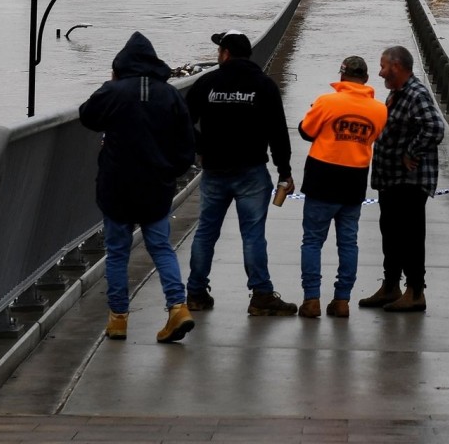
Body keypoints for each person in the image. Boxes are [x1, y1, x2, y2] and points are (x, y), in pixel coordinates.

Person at [79, 31, 197, 343]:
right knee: (160, 247)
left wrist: (111, 86)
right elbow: (187, 144)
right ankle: (177, 307)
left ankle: (118, 319)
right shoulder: (169, 94)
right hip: (155, 186)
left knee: (117, 252)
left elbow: (87, 116)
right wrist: (170, 172)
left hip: (117, 185)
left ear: (121, 65)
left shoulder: (114, 91)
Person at [185, 29, 297, 317]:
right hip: (251, 171)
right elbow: (277, 132)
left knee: (206, 233)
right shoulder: (264, 85)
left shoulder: (207, 82)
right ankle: (261, 295)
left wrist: (202, 146)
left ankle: (196, 293)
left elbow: (183, 122)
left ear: (225, 53)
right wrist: (285, 171)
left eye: (218, 51)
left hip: (214, 170)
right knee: (253, 235)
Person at [296, 55, 387, 319]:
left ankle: (311, 299)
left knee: (312, 241)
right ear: (366, 79)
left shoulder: (327, 102)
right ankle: (342, 300)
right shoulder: (379, 110)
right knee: (348, 243)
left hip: (322, 178)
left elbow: (306, 131)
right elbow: (374, 136)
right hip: (354, 181)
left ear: (342, 75)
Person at [358, 45, 447, 313]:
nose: (380, 71)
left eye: (383, 66)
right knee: (391, 233)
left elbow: (434, 127)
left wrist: (411, 152)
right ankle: (390, 286)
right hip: (392, 180)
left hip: (409, 181)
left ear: (397, 67)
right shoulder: (397, 93)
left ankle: (415, 291)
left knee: (410, 235)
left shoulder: (415, 94)